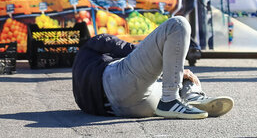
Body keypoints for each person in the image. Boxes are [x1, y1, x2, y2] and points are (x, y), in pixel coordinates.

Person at [72, 16, 233, 119]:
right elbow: (121, 46)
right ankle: (179, 97)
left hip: (122, 108)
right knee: (177, 24)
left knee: (174, 76)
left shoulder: (82, 69)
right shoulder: (93, 44)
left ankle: (189, 98)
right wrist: (162, 63)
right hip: (116, 84)